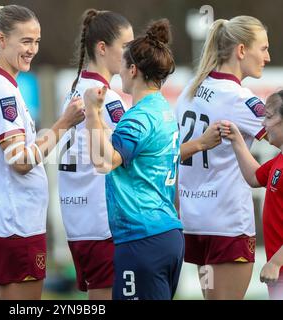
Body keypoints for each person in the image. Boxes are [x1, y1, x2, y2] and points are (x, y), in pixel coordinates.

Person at [0, 4, 84, 300]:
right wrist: (64, 124)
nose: (33, 49)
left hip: (1, 222)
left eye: (36, 41)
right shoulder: (2, 92)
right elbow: (21, 161)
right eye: (26, 41)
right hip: (16, 226)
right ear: (1, 40)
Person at [84, 19, 184, 300]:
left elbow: (104, 162)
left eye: (123, 67)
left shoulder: (139, 117)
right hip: (165, 233)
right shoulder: (162, 108)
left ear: (133, 69)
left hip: (142, 238)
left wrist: (92, 113)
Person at [175, 16, 270, 299]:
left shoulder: (191, 87)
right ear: (241, 51)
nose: (267, 56)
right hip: (228, 225)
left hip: (195, 221)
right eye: (263, 48)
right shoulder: (240, 98)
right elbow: (278, 133)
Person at [58, 8, 133, 300]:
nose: (132, 55)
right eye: (126, 47)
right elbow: (132, 152)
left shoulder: (75, 90)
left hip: (79, 224)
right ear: (102, 48)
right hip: (103, 224)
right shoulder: (106, 98)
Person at [220, 90, 283, 300]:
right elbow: (255, 177)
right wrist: (237, 140)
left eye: (269, 116)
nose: (263, 124)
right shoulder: (279, 160)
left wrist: (276, 262)